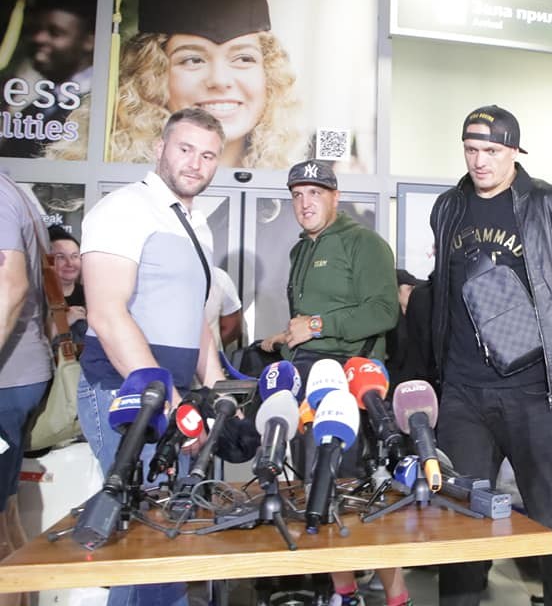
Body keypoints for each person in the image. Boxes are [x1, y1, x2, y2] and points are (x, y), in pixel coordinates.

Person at [430, 105, 552, 606]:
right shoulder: (448, 207)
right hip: (463, 391)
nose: (479, 161)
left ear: (514, 151)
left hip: (532, 391)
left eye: (491, 150)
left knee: (548, 517)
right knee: (461, 520)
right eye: (471, 149)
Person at [78, 107, 226, 606]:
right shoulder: (123, 210)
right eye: (185, 149)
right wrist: (173, 403)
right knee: (142, 533)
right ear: (160, 148)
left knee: (169, 532)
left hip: (172, 397)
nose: (195, 163)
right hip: (122, 392)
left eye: (208, 155)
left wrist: (219, 390)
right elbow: (106, 315)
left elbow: (196, 318)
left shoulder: (195, 223)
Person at [260, 159, 404, 606]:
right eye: (297, 195)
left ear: (335, 197)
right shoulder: (300, 250)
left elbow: (384, 311)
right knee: (313, 487)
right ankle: (345, 593)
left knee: (352, 489)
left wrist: (318, 325)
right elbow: (309, 324)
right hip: (308, 376)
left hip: (350, 377)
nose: (305, 203)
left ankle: (398, 597)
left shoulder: (364, 243)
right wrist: (285, 338)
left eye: (315, 193)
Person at [46, 0, 316, 168]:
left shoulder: (296, 203)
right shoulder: (99, 197)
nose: (219, 80)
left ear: (269, 77)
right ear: (149, 77)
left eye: (244, 59)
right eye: (192, 60)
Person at [0, 173, 53, 606]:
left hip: (7, 378)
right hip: (18, 375)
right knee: (6, 516)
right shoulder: (16, 191)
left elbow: (11, 284)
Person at [0, 0, 95, 158]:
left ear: (89, 40)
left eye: (55, 33)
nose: (38, 38)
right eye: (34, 30)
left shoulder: (101, 105)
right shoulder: (33, 108)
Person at [47, 224, 86, 346]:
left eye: (75, 256)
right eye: (61, 257)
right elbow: (28, 345)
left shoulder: (91, 296)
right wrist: (62, 323)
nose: (70, 263)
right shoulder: (34, 300)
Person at [204, 266, 242, 351]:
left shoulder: (218, 277)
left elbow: (232, 327)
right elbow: (232, 327)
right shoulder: (218, 276)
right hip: (209, 354)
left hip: (210, 355)